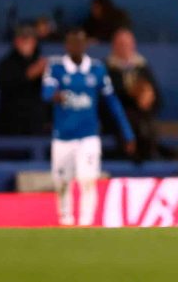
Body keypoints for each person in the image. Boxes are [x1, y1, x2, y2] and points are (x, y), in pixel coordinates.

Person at [41, 29, 135, 226]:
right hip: (63, 137)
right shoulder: (56, 67)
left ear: (85, 45)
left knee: (88, 180)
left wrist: (127, 132)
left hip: (88, 136)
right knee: (62, 183)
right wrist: (54, 95)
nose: (76, 46)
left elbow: (113, 103)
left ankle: (86, 223)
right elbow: (45, 92)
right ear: (67, 45)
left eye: (80, 42)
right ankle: (65, 220)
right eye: (72, 42)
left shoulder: (97, 69)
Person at [106, 29, 160, 161]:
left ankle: (149, 155)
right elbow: (107, 97)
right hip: (116, 116)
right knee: (126, 119)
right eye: (121, 44)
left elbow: (157, 96)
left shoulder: (142, 66)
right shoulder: (107, 67)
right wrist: (131, 94)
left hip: (142, 114)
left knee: (146, 124)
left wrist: (148, 97)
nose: (125, 48)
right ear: (114, 46)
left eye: (127, 44)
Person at [0, 25, 49, 135]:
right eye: (24, 39)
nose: (28, 43)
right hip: (11, 125)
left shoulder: (41, 63)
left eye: (31, 39)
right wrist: (28, 75)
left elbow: (47, 94)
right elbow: (7, 86)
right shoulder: (7, 64)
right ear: (16, 41)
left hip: (35, 126)